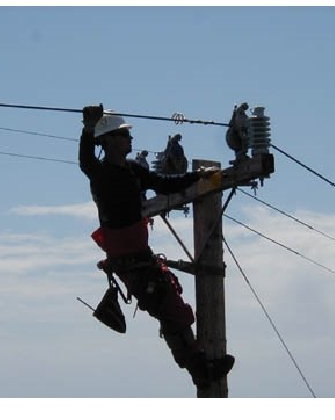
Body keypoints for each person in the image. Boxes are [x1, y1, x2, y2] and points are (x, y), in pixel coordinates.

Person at [78, 104, 234, 389]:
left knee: (171, 310)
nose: (130, 140)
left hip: (139, 258)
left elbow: (164, 185)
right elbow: (86, 161)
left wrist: (199, 178)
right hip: (130, 261)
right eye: (124, 135)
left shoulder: (135, 171)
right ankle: (201, 369)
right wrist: (88, 129)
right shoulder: (101, 174)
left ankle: (200, 367)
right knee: (171, 310)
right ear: (110, 140)